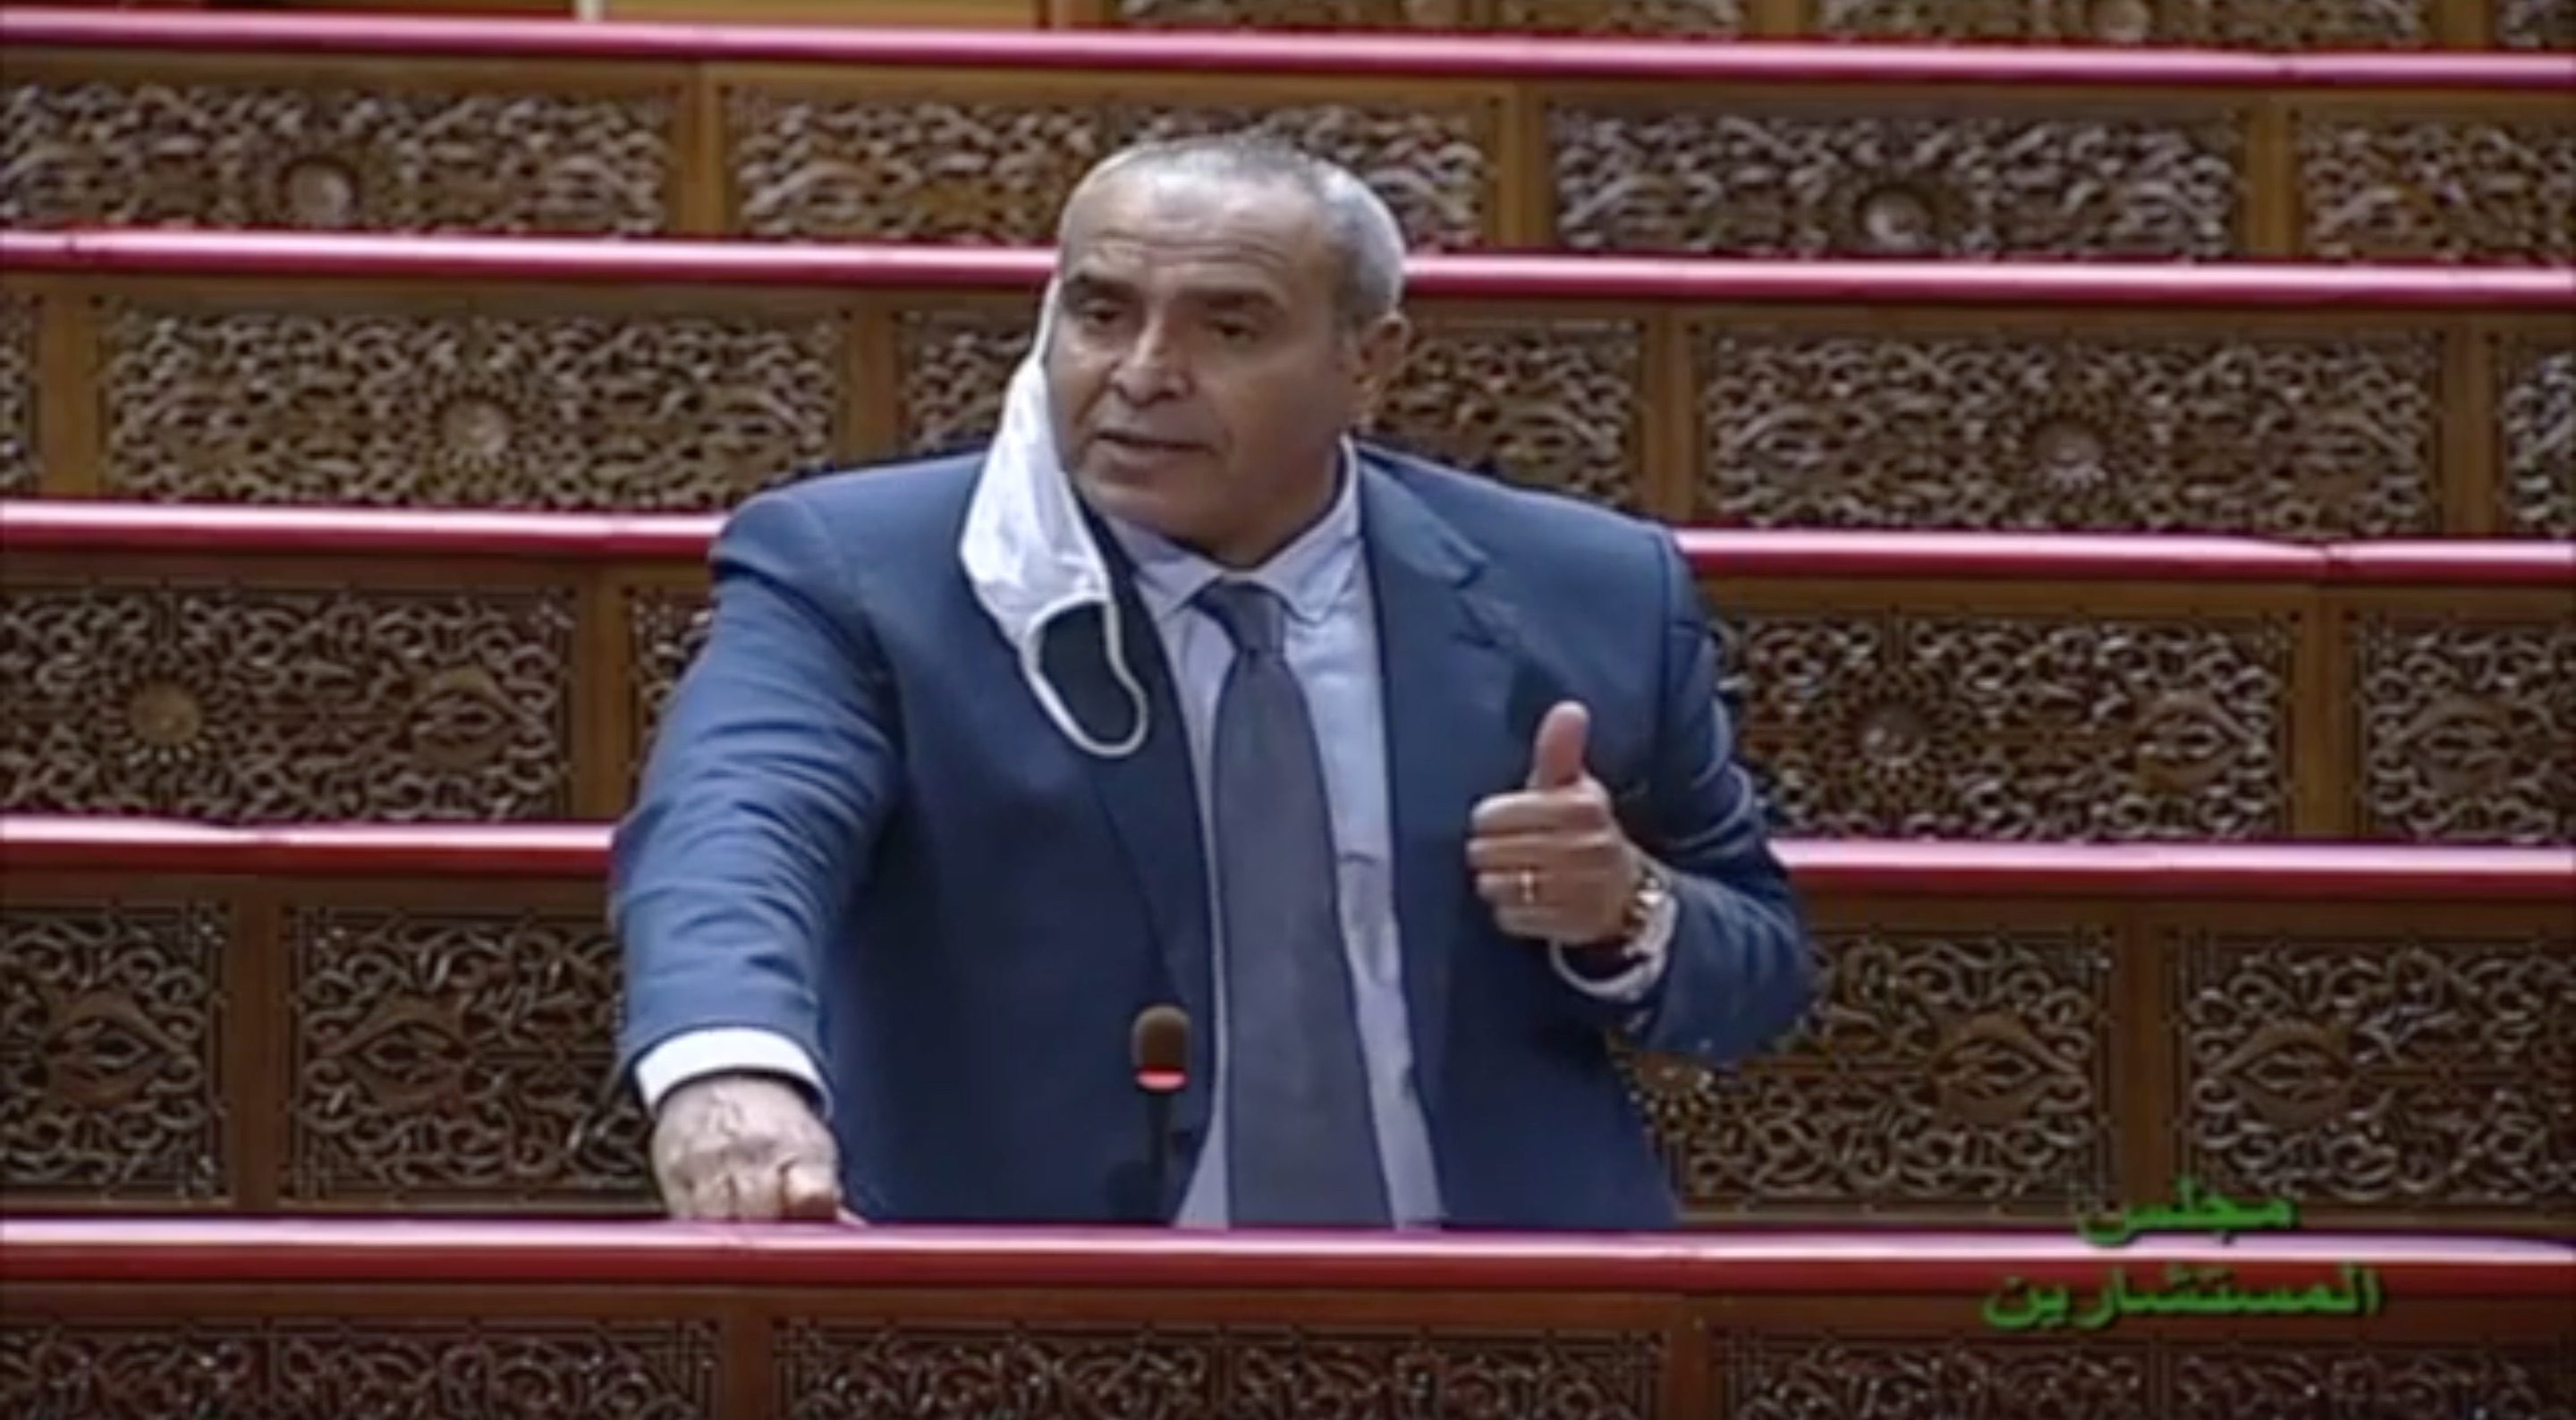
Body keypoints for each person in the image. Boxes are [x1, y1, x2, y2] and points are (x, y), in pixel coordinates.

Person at [614, 135, 1811, 1232]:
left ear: (1368, 362)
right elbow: (734, 829)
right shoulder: (863, 574)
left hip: (1509, 1301)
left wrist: (1625, 910)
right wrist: (730, 1066)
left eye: (1228, 328)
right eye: (1100, 313)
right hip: (1033, 1307)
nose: (1142, 374)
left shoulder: (1589, 591)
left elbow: (1759, 971)